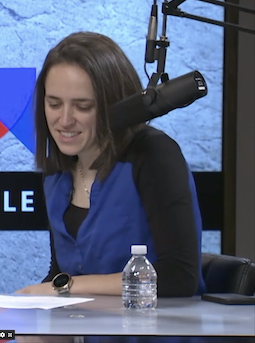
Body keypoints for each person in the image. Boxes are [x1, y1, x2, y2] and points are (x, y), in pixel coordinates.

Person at [16, 31, 205, 297]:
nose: (65, 120)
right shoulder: (56, 174)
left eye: (83, 106)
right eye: (54, 104)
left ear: (115, 104)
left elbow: (179, 277)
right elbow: (61, 272)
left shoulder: (153, 154)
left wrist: (67, 288)